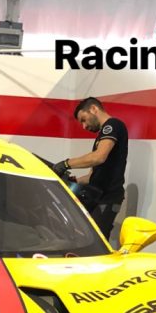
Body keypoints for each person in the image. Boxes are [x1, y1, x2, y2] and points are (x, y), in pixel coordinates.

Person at [54, 97, 128, 241]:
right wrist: (75, 181)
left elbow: (98, 157)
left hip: (108, 197)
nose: (84, 126)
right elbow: (94, 175)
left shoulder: (112, 125)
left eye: (83, 119)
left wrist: (66, 163)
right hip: (97, 194)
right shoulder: (103, 134)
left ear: (94, 109)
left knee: (97, 241)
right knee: (85, 237)